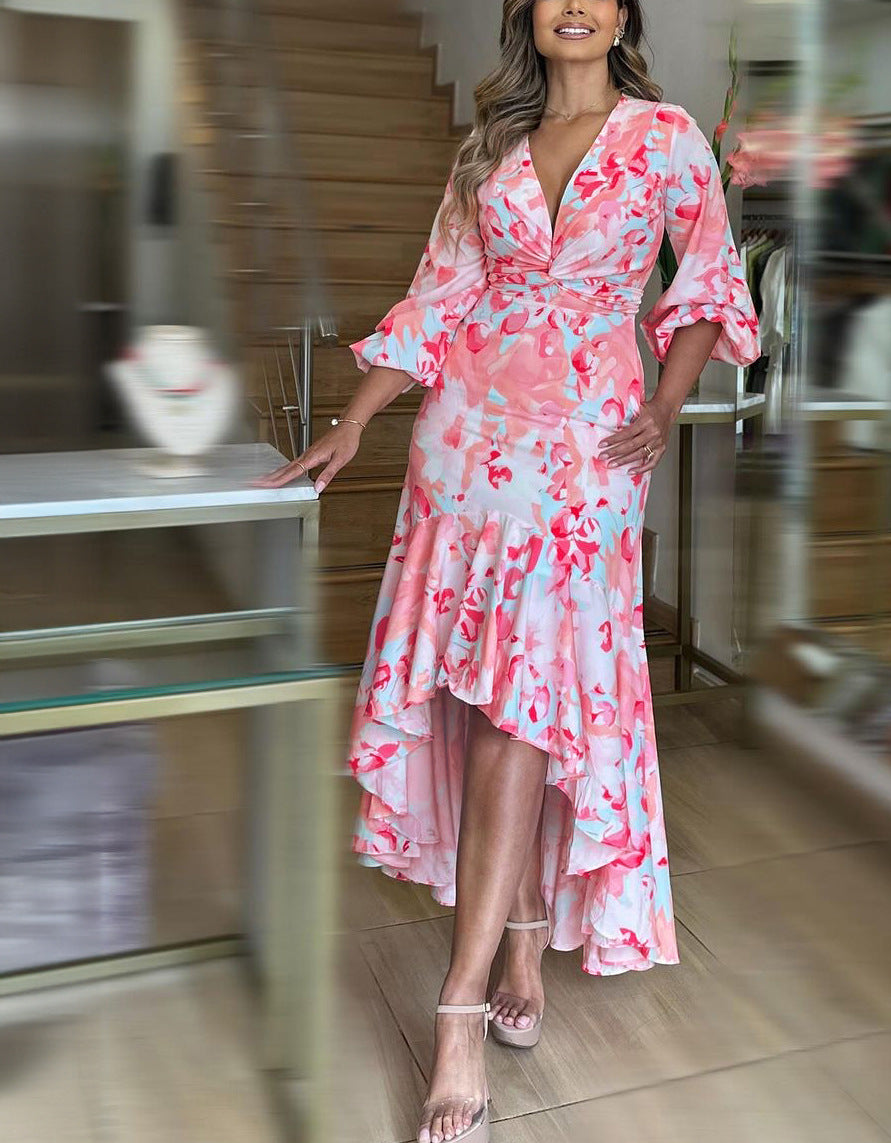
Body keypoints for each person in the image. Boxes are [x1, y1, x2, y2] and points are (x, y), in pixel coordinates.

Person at [257, 2, 759, 1140]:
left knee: (523, 711)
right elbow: (438, 297)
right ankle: (520, 934)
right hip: (466, 447)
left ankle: (457, 1012)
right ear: (526, 16)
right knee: (494, 706)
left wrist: (666, 406)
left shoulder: (666, 136)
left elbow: (707, 284)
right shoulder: (490, 145)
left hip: (588, 452)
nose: (574, 5)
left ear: (622, 15)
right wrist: (355, 421)